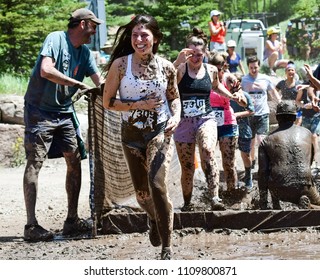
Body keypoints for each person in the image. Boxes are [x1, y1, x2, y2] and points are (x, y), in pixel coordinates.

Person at [102, 15, 181, 260]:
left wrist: (176, 116)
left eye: (144, 35)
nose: (139, 40)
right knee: (142, 195)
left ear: (155, 39)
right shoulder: (120, 65)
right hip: (131, 135)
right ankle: (153, 217)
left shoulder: (167, 67)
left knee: (157, 185)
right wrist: (139, 104)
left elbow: (174, 98)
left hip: (159, 132)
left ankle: (167, 248)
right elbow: (108, 102)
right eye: (135, 35)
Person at [23, 8, 103, 242]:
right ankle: (31, 226)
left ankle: (71, 220)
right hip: (40, 110)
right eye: (93, 25)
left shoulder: (85, 52)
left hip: (65, 112)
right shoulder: (56, 38)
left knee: (74, 159)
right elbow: (46, 70)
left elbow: (101, 82)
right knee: (34, 163)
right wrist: (77, 83)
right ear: (81, 24)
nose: (95, 29)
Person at [173, 28, 244, 211]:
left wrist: (233, 97)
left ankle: (215, 198)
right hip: (184, 122)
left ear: (205, 53)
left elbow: (217, 86)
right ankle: (188, 203)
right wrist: (178, 61)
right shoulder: (180, 69)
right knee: (187, 167)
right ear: (186, 53)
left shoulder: (211, 70)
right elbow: (165, 80)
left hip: (206, 118)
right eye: (191, 54)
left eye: (199, 54)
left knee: (208, 151)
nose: (195, 58)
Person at [258, 101, 320, 209]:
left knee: (273, 172)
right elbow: (309, 160)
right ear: (295, 117)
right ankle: (311, 206)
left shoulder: (267, 140)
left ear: (277, 118)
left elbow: (263, 172)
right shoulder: (307, 133)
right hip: (305, 186)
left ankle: (276, 206)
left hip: (280, 189)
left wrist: (263, 202)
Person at [208, 52, 247, 193]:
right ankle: (212, 193)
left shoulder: (229, 79)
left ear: (223, 67)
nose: (215, 73)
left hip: (227, 123)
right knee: (208, 161)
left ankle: (232, 191)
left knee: (228, 162)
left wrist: (238, 97)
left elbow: (244, 102)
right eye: (212, 69)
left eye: (218, 69)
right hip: (208, 123)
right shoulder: (203, 78)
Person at [241, 55, 281, 170]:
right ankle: (252, 162)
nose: (254, 70)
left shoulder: (265, 79)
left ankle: (265, 166)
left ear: (259, 66)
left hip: (263, 113)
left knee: (262, 140)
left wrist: (280, 103)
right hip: (249, 114)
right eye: (251, 68)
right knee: (251, 142)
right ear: (248, 67)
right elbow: (240, 95)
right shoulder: (244, 80)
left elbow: (273, 92)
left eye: (256, 67)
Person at [231, 73, 255, 190]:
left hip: (243, 129)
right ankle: (233, 180)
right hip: (230, 128)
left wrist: (237, 114)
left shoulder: (245, 95)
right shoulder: (227, 95)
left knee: (245, 155)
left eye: (235, 82)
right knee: (229, 156)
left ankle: (248, 176)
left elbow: (251, 111)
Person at [296, 64, 320, 167]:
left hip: (316, 116)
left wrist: (312, 78)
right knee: (307, 138)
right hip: (307, 116)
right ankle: (308, 164)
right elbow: (312, 86)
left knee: (314, 137)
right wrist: (312, 98)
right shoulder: (304, 85)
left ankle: (317, 163)